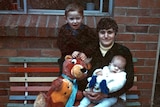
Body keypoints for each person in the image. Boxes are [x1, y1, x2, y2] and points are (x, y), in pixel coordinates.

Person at [77, 17, 134, 107]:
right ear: (98, 34)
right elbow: (81, 73)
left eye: (110, 32)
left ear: (115, 33)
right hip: (90, 93)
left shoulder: (123, 51)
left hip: (114, 96)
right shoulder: (90, 50)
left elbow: (129, 80)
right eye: (102, 32)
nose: (106, 36)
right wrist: (85, 92)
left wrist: (107, 94)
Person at [57, 2, 97, 74]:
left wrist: (85, 52)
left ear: (82, 17)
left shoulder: (87, 30)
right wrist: (72, 52)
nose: (75, 21)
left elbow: (93, 43)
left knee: (83, 74)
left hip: (83, 59)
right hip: (68, 58)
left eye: (78, 18)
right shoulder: (63, 31)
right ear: (66, 19)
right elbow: (61, 45)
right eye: (71, 19)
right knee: (66, 75)